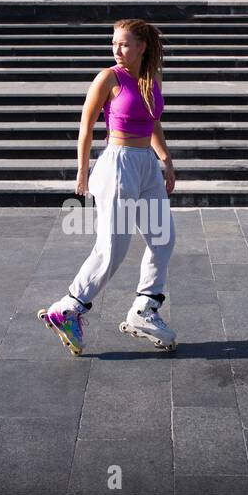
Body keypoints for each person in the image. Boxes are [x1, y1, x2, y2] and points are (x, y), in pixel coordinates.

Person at [37, 18, 177, 355]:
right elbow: (85, 127)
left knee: (162, 237)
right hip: (118, 165)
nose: (117, 49)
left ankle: (145, 309)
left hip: (146, 165)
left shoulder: (151, 78)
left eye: (124, 43)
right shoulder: (108, 78)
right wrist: (82, 171)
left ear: (142, 46)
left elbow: (153, 122)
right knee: (114, 245)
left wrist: (166, 160)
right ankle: (68, 308)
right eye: (114, 42)